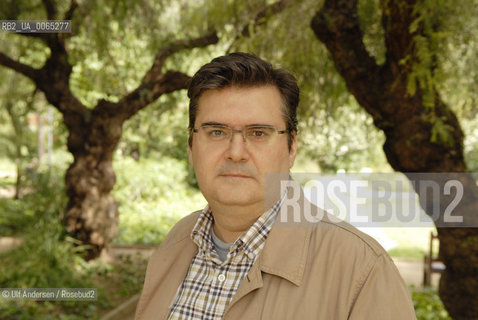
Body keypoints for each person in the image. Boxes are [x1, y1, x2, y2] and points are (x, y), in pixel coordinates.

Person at [135, 52, 417, 319]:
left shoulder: (362, 270)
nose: (236, 152)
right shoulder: (176, 243)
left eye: (258, 133)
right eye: (216, 132)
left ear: (291, 146)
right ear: (191, 146)